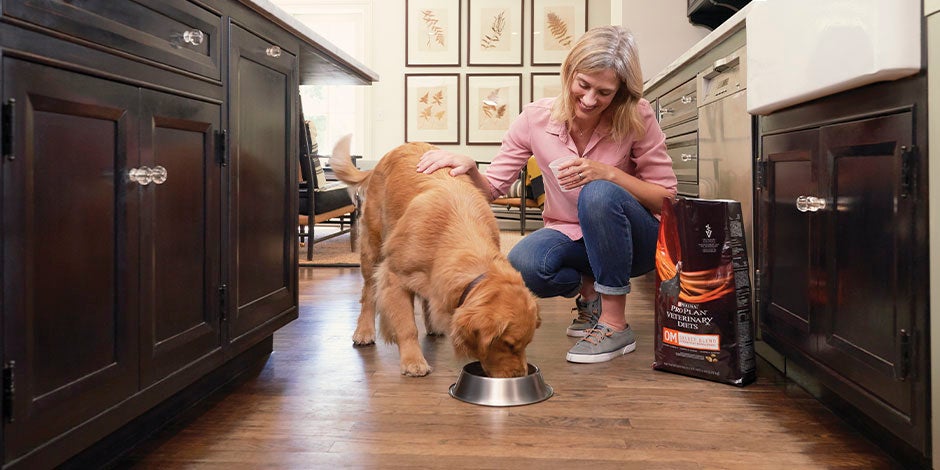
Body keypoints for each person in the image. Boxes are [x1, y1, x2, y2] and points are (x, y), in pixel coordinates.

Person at [416, 25, 677, 364]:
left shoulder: (637, 115)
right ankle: (590, 294)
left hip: (635, 243)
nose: (589, 100)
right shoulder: (535, 118)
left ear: (621, 92)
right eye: (583, 85)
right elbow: (492, 188)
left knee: (598, 193)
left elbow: (666, 199)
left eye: (604, 92)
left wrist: (609, 174)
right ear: (570, 71)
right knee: (523, 265)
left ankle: (615, 323)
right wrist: (470, 168)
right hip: (571, 234)